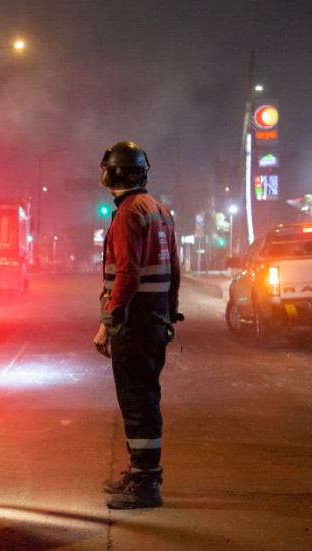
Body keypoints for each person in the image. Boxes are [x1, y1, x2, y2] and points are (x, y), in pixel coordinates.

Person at [91, 141, 182, 509]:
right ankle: (141, 472)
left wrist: (108, 320)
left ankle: (145, 484)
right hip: (155, 319)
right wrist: (171, 314)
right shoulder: (160, 209)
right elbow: (174, 271)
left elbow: (126, 275)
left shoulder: (129, 212)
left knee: (136, 399)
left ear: (112, 172)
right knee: (145, 395)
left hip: (134, 322)